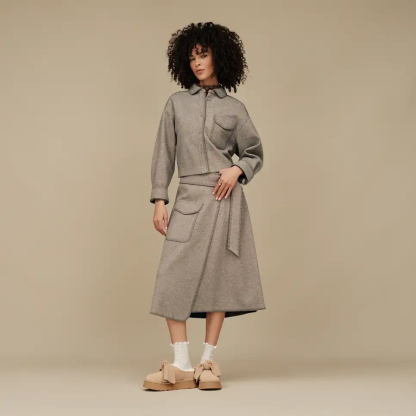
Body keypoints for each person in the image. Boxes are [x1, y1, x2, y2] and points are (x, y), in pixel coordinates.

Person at [143, 22, 266, 391]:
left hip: (225, 202)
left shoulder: (235, 108)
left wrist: (237, 170)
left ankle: (207, 362)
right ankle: (181, 364)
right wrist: (160, 199)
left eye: (204, 55)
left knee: (218, 279)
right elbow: (163, 153)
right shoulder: (176, 104)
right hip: (188, 199)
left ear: (219, 57)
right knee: (172, 276)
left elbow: (254, 153)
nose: (197, 62)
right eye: (192, 57)